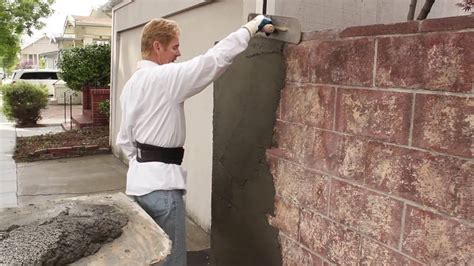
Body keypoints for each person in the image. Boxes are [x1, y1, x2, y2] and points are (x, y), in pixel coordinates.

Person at [116, 15, 272, 266]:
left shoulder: (132, 85)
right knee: (173, 261)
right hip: (163, 189)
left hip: (138, 185)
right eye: (175, 46)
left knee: (149, 259)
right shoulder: (164, 78)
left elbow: (124, 141)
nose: (179, 53)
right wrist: (249, 29)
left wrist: (144, 165)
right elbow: (212, 61)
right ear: (158, 46)